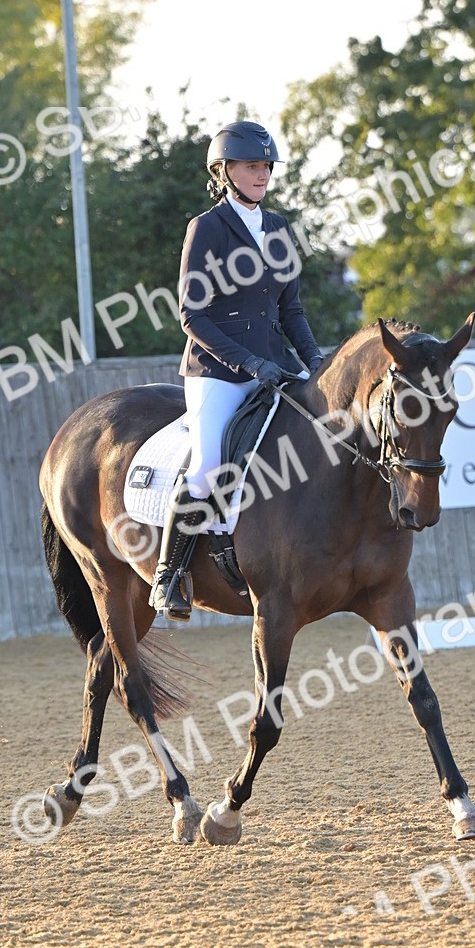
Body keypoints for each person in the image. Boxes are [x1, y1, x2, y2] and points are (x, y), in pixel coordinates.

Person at [149, 120, 324, 620]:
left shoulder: (279, 229)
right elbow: (192, 314)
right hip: (217, 373)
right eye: (252, 166)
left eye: (267, 166)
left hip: (276, 365)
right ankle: (169, 575)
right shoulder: (206, 228)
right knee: (207, 467)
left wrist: (314, 361)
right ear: (224, 171)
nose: (262, 174)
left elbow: (291, 311)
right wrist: (247, 362)